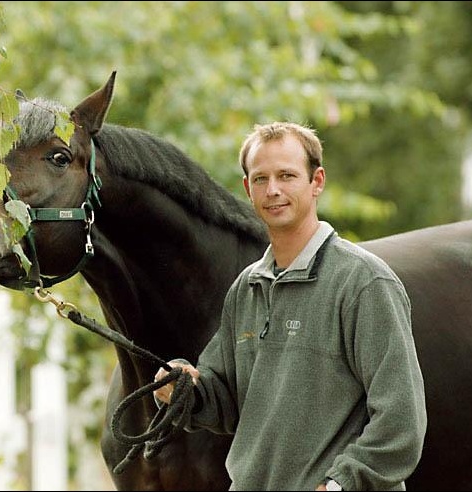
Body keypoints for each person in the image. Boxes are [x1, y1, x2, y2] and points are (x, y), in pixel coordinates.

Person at [153, 122, 427, 491]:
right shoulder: (246, 287)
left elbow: (402, 422)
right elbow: (226, 402)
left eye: (287, 175)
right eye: (261, 178)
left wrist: (340, 485)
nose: (274, 190)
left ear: (317, 181)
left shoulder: (365, 283)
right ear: (248, 189)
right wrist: (183, 390)